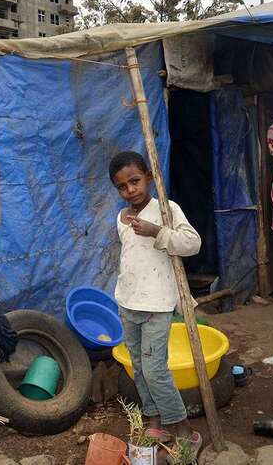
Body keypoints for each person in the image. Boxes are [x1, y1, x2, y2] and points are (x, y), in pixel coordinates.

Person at [108, 151, 203, 456]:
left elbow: (192, 243)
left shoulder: (166, 209)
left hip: (157, 305)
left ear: (148, 177)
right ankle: (155, 420)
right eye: (122, 187)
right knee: (139, 367)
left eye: (135, 181)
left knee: (155, 370)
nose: (130, 190)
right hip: (128, 302)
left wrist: (157, 231)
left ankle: (183, 428)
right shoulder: (121, 218)